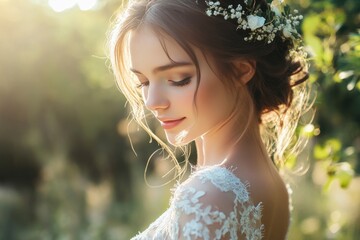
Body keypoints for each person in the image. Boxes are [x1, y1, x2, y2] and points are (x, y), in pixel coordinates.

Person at [108, 0, 312, 239]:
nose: (152, 101)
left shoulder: (210, 196)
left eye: (178, 79)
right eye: (143, 82)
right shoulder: (270, 184)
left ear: (241, 70)